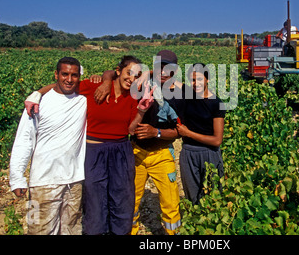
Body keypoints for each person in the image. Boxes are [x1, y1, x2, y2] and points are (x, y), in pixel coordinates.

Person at [24, 56, 154, 235]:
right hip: (94, 151)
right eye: (128, 73)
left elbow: (131, 129)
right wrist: (37, 94)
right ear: (118, 71)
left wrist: (142, 110)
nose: (132, 79)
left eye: (137, 75)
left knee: (122, 198)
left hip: (121, 150)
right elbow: (61, 88)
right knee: (95, 199)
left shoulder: (133, 95)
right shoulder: (95, 86)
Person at [96, 50, 184, 235]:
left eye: (168, 68)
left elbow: (179, 131)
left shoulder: (179, 95)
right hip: (135, 152)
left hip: (162, 154)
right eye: (159, 66)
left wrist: (156, 132)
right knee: (131, 199)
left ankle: (172, 234)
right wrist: (105, 81)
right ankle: (131, 231)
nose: (163, 71)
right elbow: (114, 73)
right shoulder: (139, 84)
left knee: (170, 201)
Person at [9, 56, 87, 235]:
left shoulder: (83, 100)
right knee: (38, 230)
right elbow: (24, 140)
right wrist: (17, 177)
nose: (69, 79)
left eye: (74, 75)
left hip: (74, 181)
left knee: (71, 229)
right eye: (64, 74)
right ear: (56, 74)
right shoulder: (38, 104)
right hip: (42, 183)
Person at [177, 63, 226, 205]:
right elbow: (166, 78)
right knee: (192, 196)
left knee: (214, 195)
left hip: (209, 153)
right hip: (188, 153)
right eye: (192, 80)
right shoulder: (186, 97)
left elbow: (217, 140)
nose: (195, 83)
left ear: (207, 79)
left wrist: (188, 133)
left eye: (199, 79)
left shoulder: (216, 103)